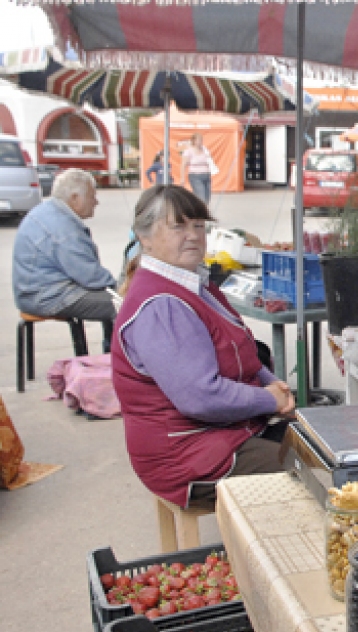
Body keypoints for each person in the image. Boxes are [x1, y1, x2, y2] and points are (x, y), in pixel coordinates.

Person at [111, 185, 295, 510]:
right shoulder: (161, 305)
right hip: (188, 458)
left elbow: (244, 350)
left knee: (322, 443)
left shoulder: (193, 283)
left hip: (223, 433)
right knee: (312, 473)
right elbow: (200, 397)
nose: (193, 236)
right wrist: (267, 399)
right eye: (178, 226)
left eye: (198, 226)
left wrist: (270, 383)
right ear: (145, 237)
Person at [12, 168, 117, 352]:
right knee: (123, 303)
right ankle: (115, 360)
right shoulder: (63, 228)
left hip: (33, 292)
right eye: (92, 196)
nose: (96, 202)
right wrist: (122, 289)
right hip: (47, 296)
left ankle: (111, 354)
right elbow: (92, 277)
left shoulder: (48, 211)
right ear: (75, 198)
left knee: (115, 299)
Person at [181, 133, 215, 204]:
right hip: (195, 175)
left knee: (207, 197)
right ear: (194, 141)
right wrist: (182, 178)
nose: (200, 142)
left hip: (206, 175)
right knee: (201, 196)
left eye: (201, 140)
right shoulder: (188, 151)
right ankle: (199, 212)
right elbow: (183, 165)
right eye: (198, 140)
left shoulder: (205, 150)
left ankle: (203, 211)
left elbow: (209, 161)